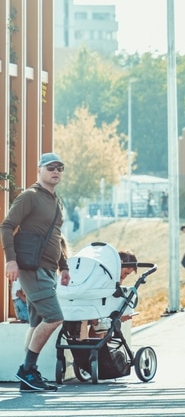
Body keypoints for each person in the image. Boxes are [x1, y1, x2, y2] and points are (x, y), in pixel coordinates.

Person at [0, 152, 71, 393]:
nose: (56, 171)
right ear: (39, 170)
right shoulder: (30, 196)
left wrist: (64, 265)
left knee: (37, 320)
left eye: (60, 168)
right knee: (55, 317)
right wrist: (10, 261)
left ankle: (27, 377)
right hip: (32, 267)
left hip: (49, 269)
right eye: (51, 167)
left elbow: (56, 236)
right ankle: (27, 369)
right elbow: (7, 225)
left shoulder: (56, 201)